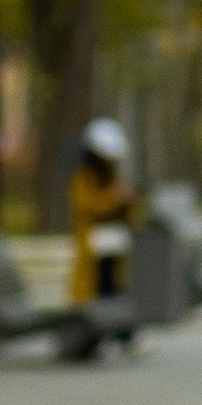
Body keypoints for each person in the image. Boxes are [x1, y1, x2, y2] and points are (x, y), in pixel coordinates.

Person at [69, 117, 134, 303]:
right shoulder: (83, 179)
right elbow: (88, 205)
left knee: (112, 285)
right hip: (94, 247)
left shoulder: (110, 178)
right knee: (95, 287)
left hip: (112, 245)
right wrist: (114, 198)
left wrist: (126, 201)